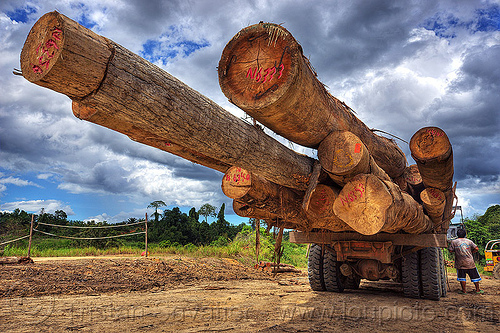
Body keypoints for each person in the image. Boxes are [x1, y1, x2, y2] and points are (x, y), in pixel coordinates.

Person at [448, 229, 484, 294]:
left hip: (460, 263)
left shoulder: (454, 242)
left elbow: (450, 250)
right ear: (465, 234)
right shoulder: (469, 241)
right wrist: (471, 252)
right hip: (470, 262)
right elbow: (476, 248)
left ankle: (464, 291)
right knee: (475, 276)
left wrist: (457, 251)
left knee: (462, 277)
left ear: (457, 234)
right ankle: (477, 290)